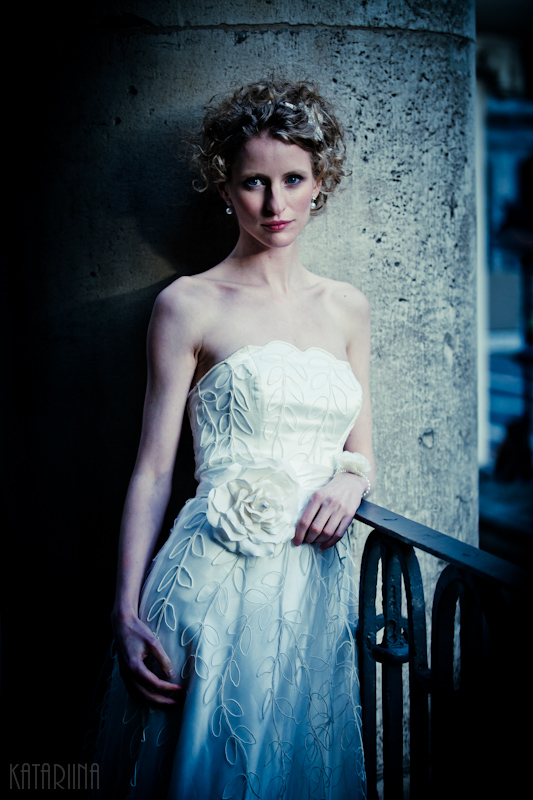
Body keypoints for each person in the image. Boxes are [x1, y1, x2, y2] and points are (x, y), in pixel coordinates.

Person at [90, 78, 373, 800]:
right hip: (209, 588)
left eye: (293, 179)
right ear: (224, 188)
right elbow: (154, 471)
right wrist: (124, 612)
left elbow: (361, 449)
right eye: (253, 182)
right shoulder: (187, 304)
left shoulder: (346, 307)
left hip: (311, 594)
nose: (275, 204)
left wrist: (351, 478)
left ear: (320, 182)